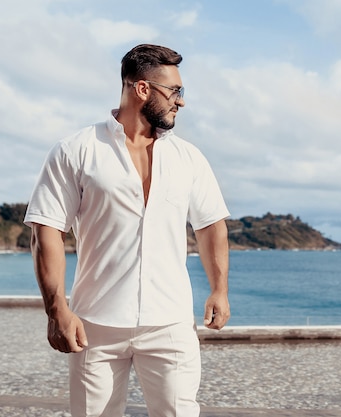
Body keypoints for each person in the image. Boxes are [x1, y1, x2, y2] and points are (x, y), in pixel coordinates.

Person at [24, 44, 230, 417]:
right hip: (95, 325)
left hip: (171, 323)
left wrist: (219, 289)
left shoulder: (188, 158)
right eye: (175, 91)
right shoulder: (76, 150)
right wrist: (57, 311)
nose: (181, 102)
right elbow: (46, 230)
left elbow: (211, 224)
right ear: (142, 89)